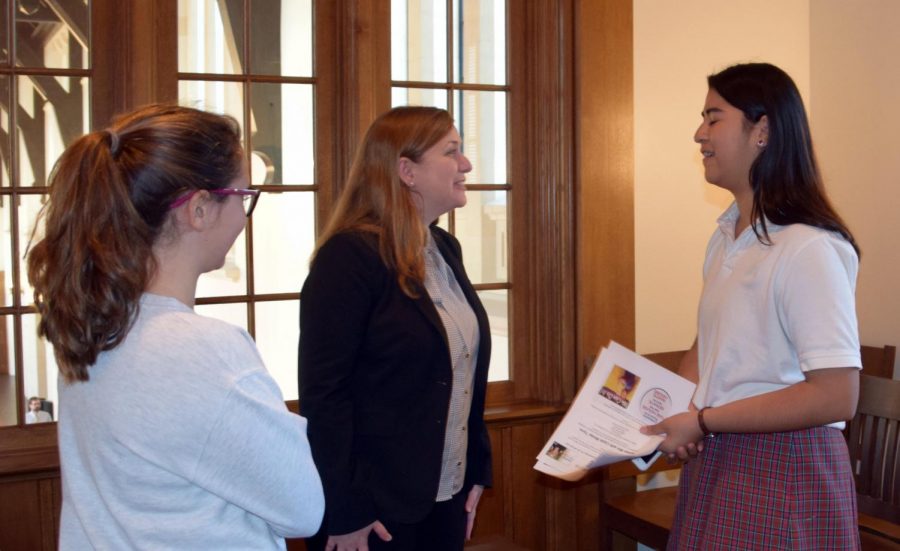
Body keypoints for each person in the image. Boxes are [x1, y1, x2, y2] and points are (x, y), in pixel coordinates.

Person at [26, 104, 324, 550]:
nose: (243, 216)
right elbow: (303, 507)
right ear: (200, 209)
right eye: (243, 196)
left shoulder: (95, 327)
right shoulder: (203, 350)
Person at [642, 62, 861, 549]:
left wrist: (700, 420)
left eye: (713, 117)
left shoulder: (809, 248)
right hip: (721, 455)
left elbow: (836, 395)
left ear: (761, 130)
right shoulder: (727, 237)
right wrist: (680, 412)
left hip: (786, 465)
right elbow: (708, 346)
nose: (699, 133)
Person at [299, 106, 492, 551]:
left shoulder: (445, 248)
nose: (466, 164)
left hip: (446, 498)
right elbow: (323, 394)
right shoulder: (348, 258)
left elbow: (462, 368)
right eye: (452, 152)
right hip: (372, 513)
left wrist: (477, 468)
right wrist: (344, 509)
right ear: (406, 171)